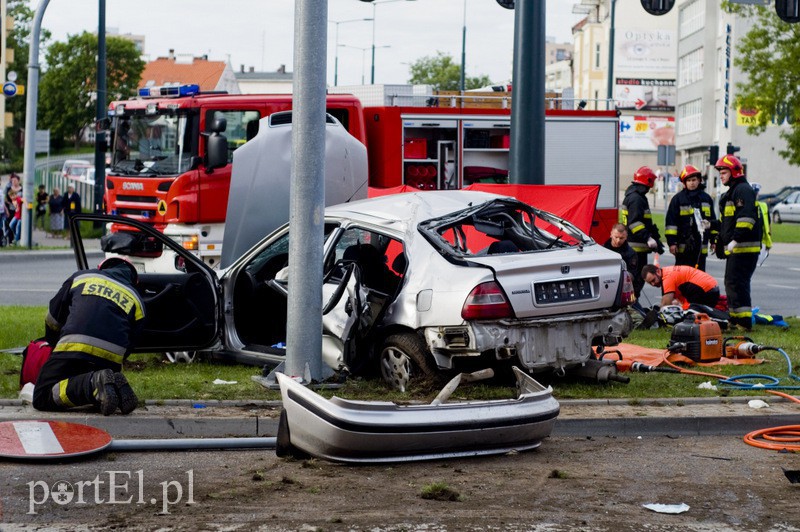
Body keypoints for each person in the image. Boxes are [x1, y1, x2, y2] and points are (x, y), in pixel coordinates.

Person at [33, 257, 146, 415]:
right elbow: (131, 343)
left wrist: (54, 345)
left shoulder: (81, 277)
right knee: (98, 388)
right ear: (134, 280)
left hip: (72, 347)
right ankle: (109, 386)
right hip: (110, 360)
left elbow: (53, 317)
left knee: (42, 396)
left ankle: (94, 383)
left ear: (101, 267)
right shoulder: (136, 299)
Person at [712, 154, 762, 330]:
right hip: (737, 248)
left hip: (744, 248)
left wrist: (735, 240)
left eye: (724, 172)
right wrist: (712, 226)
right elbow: (729, 223)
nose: (721, 176)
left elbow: (746, 219)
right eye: (720, 173)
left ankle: (744, 322)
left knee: (738, 283)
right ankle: (735, 319)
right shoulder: (733, 192)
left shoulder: (742, 190)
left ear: (734, 172)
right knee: (731, 283)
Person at [621, 166, 664, 299]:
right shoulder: (636, 199)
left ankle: (633, 308)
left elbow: (646, 223)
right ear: (648, 181)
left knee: (634, 283)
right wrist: (648, 238)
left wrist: (655, 239)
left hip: (634, 248)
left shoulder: (633, 196)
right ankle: (633, 310)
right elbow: (635, 223)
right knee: (637, 282)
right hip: (636, 249)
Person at [664, 165, 717, 271]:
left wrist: (714, 240)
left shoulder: (706, 199)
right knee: (682, 278)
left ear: (699, 180)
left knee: (699, 280)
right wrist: (672, 243)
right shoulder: (677, 199)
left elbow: (712, 221)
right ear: (684, 182)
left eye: (694, 180)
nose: (692, 183)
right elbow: (671, 223)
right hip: (683, 248)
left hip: (701, 248)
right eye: (688, 180)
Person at [641, 264, 720, 310]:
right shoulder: (667, 271)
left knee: (688, 315)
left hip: (706, 290)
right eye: (650, 283)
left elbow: (665, 304)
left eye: (653, 280)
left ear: (658, 271)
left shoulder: (667, 277)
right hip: (711, 288)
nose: (653, 284)